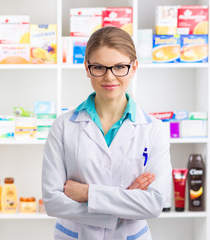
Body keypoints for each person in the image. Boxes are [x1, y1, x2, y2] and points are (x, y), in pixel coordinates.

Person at [42, 26, 172, 240]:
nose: (109, 77)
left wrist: (87, 194)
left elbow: (154, 204)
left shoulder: (153, 129)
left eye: (120, 67)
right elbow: (53, 202)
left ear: (134, 67)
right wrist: (123, 208)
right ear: (87, 67)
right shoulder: (63, 126)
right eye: (99, 67)